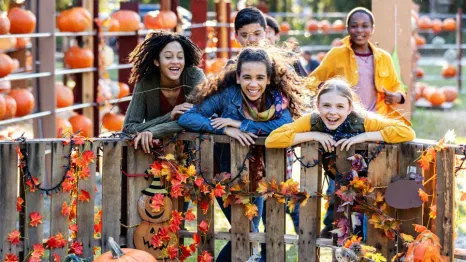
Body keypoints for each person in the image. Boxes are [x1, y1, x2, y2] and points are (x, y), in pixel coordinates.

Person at [178, 47, 309, 261]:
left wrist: (241, 124)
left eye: (259, 78)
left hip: (261, 174)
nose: (253, 84)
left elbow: (284, 125)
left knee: (248, 228)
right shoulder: (227, 95)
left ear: (268, 79)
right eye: (247, 77)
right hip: (226, 172)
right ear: (238, 77)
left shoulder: (276, 100)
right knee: (245, 229)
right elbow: (187, 118)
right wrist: (225, 129)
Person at [265, 78, 415, 238]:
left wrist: (364, 136)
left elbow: (407, 132)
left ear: (349, 107)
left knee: (368, 230)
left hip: (369, 184)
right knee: (342, 228)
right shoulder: (312, 121)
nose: (332, 112)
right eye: (326, 105)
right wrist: (313, 134)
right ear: (317, 106)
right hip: (339, 182)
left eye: (340, 106)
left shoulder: (362, 120)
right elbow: (272, 139)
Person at [309, 7, 409, 124]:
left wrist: (398, 96)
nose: (359, 30)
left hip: (377, 121)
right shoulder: (336, 55)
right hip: (344, 121)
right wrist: (326, 89)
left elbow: (396, 85)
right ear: (347, 29)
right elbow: (313, 82)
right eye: (354, 26)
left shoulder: (384, 58)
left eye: (365, 26)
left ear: (372, 29)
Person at [122, 30, 205, 153]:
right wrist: (170, 116)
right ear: (156, 61)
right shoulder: (146, 83)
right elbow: (129, 128)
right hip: (155, 154)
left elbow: (196, 119)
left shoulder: (194, 77)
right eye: (168, 57)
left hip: (195, 153)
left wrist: (153, 131)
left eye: (180, 57)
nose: (175, 61)